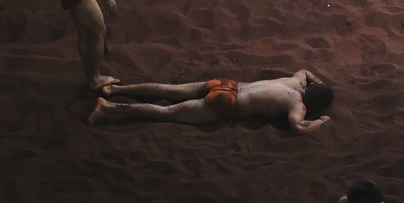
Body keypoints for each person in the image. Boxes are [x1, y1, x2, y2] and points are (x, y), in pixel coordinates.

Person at [89, 70, 333, 133]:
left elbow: (306, 71)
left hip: (227, 84)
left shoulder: (296, 81)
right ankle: (109, 107)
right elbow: (298, 126)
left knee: (168, 90)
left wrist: (319, 82)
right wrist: (320, 121)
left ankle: (115, 89)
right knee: (167, 112)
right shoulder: (297, 105)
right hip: (227, 102)